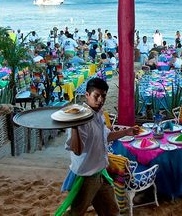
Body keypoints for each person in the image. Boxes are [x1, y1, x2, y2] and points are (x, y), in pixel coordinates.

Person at [60, 78, 139, 215]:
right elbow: (77, 150)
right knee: (76, 212)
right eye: (96, 96)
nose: (100, 100)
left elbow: (106, 136)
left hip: (101, 173)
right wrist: (74, 127)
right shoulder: (80, 120)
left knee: (111, 211)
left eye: (103, 96)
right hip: (85, 177)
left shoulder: (98, 114)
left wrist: (127, 132)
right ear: (87, 95)